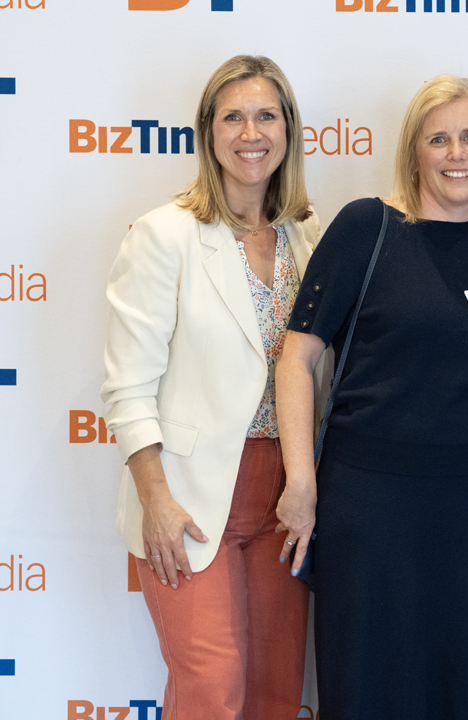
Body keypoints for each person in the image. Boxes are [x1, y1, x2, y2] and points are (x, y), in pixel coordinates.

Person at [274, 75, 468, 720]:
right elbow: (297, 359)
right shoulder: (368, 227)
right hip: (369, 504)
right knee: (369, 684)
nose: (456, 153)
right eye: (438, 139)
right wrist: (301, 482)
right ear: (414, 152)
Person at [101, 56, 320, 720]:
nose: (251, 133)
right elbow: (127, 387)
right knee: (211, 690)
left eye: (266, 116)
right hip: (189, 497)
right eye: (233, 117)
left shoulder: (307, 235)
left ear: (288, 130)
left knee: (277, 689)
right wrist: (155, 500)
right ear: (207, 131)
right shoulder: (164, 235)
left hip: (287, 492)